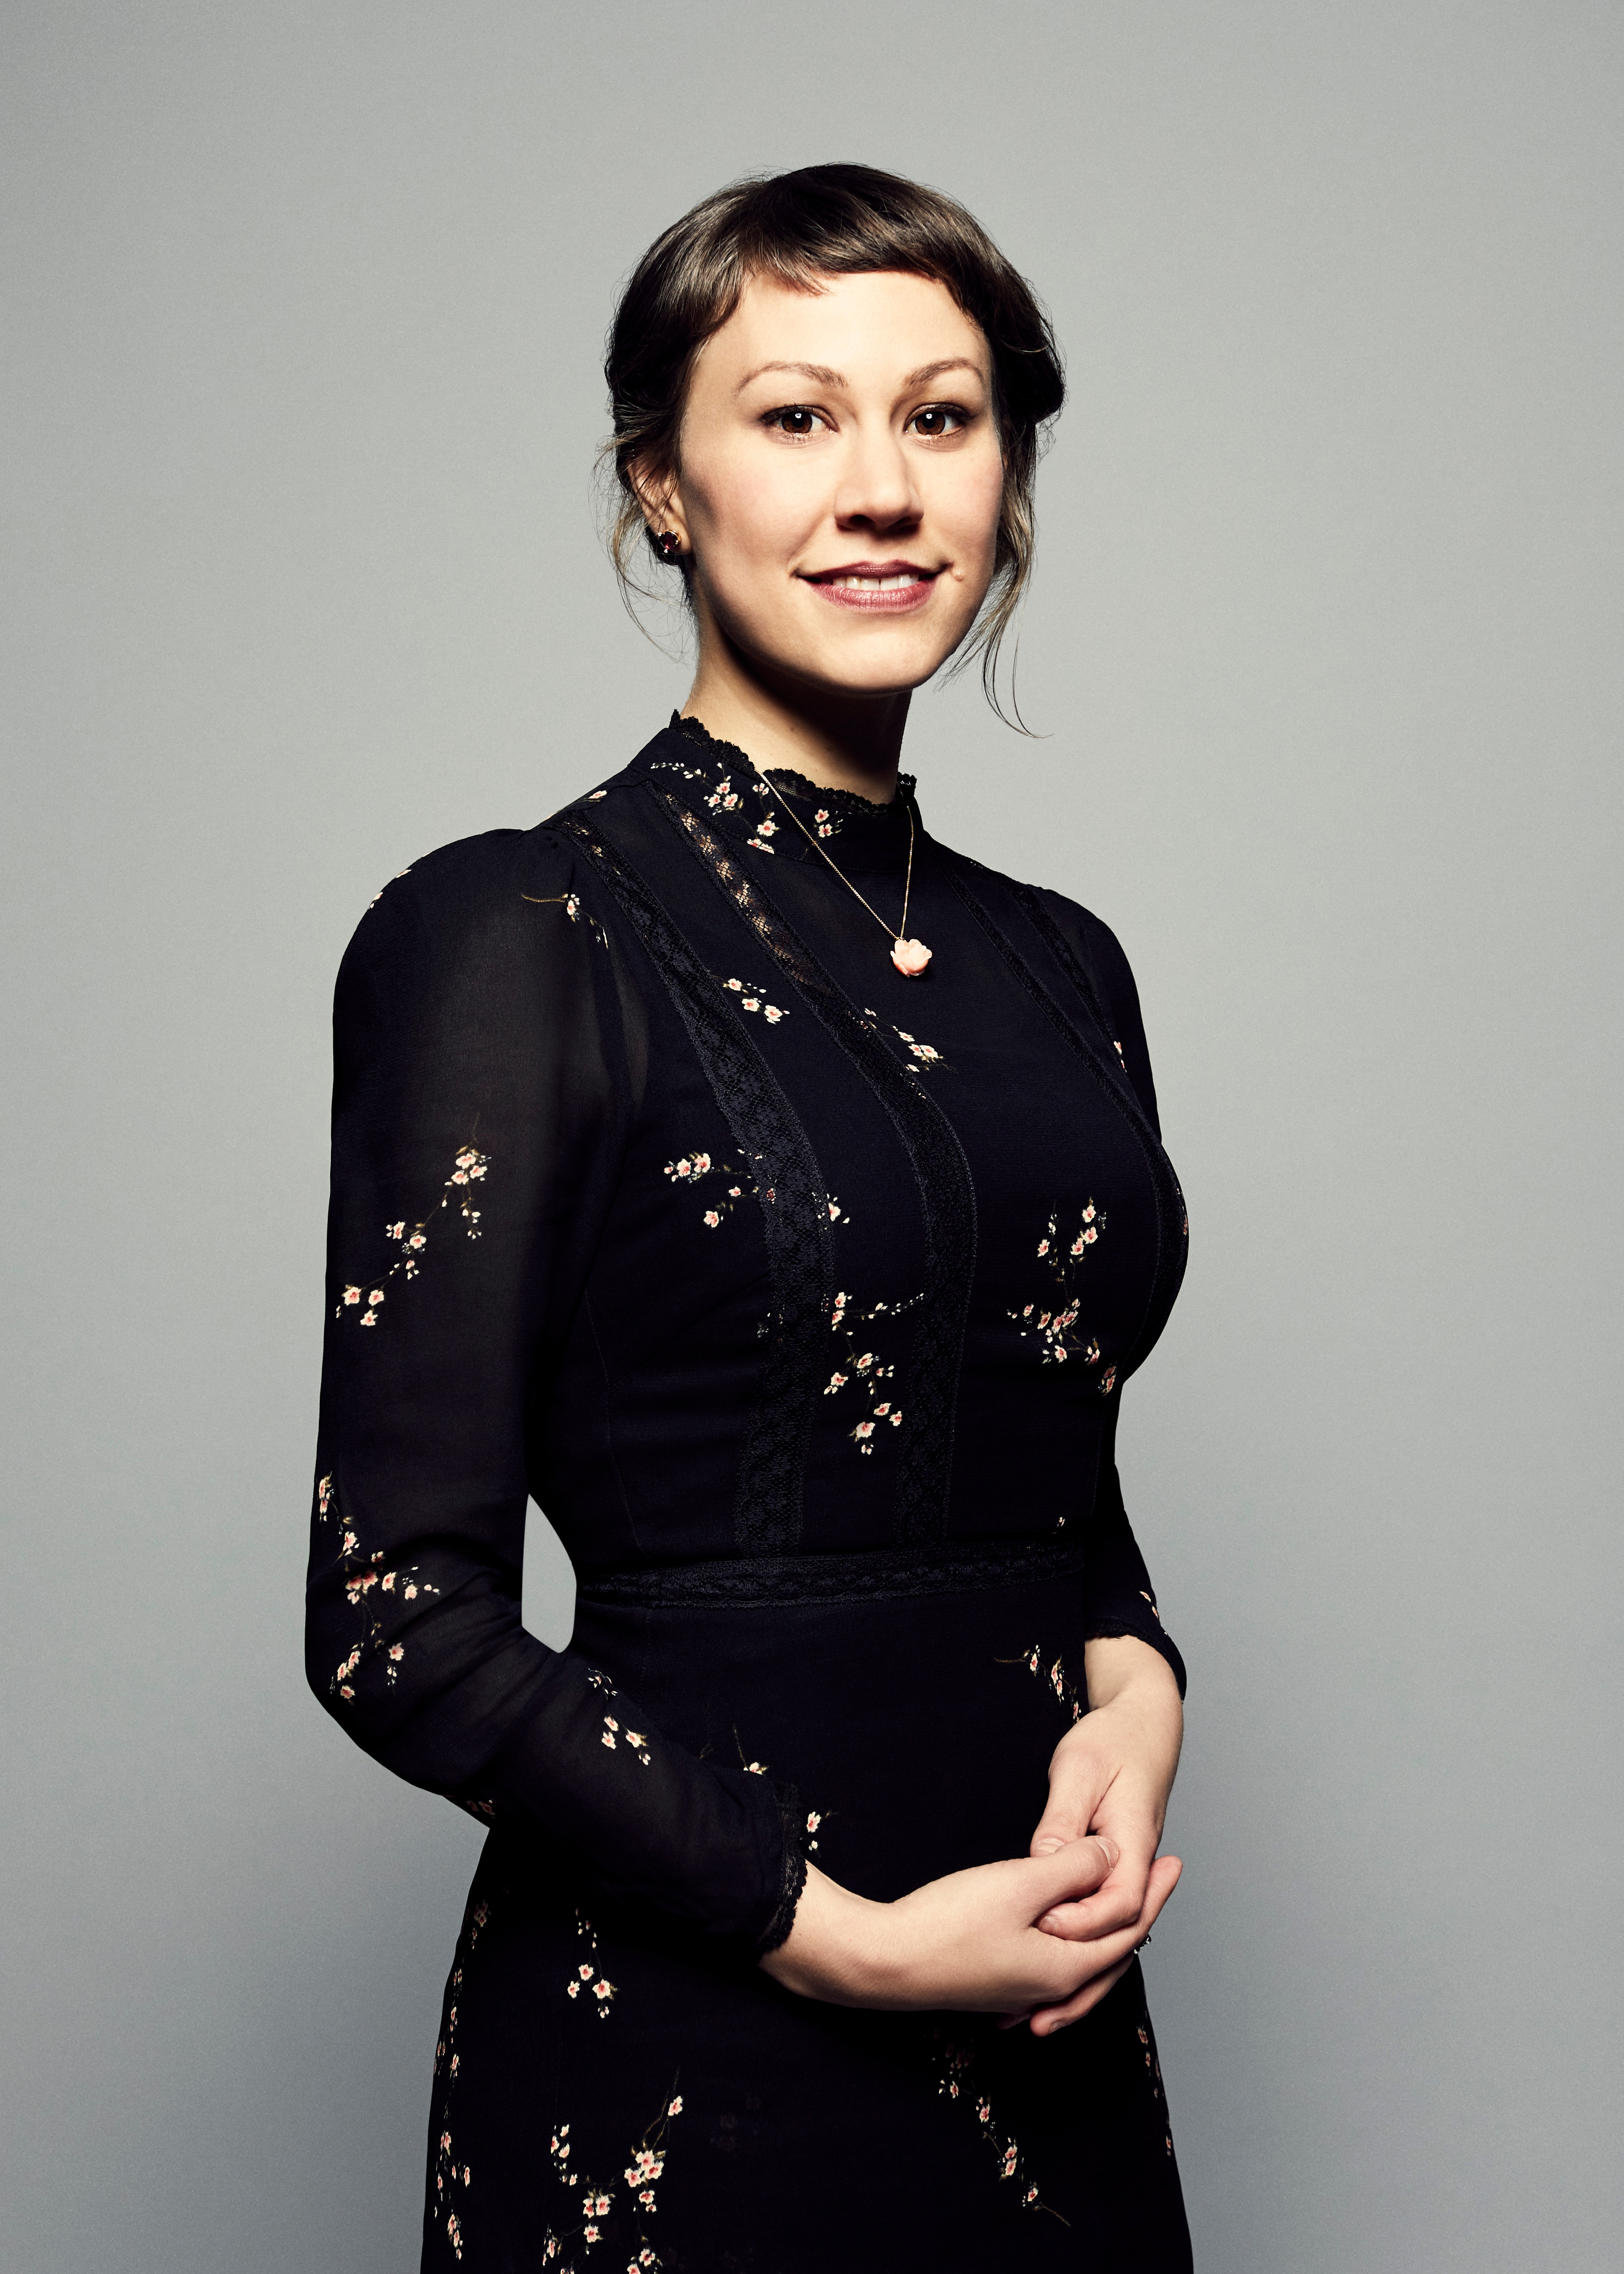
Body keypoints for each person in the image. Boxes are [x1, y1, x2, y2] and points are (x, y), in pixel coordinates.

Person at [307, 162, 1193, 2270]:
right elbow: (388, 1617)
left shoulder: (1061, 965)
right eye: (794, 416)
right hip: (695, 2030)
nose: (879, 487)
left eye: (942, 418)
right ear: (661, 487)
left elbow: (1049, 1473)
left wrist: (1137, 1705)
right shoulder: (513, 930)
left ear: (1006, 478)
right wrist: (848, 1945)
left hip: (1050, 2014)